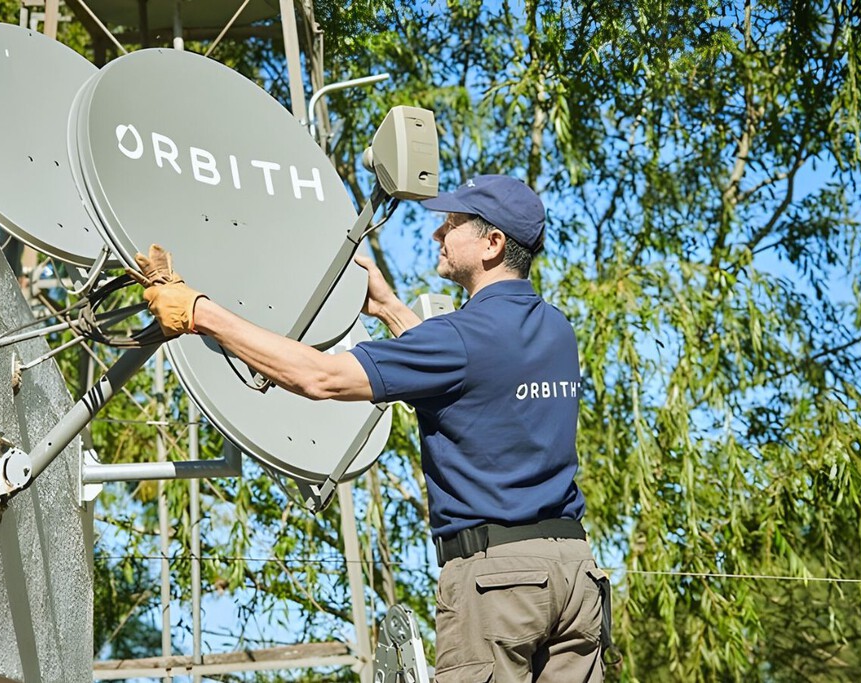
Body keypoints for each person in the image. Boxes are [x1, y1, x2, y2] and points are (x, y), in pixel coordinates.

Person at [131, 175, 614, 682]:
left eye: (452, 224)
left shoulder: (460, 337)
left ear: (492, 243)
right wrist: (387, 308)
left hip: (500, 584)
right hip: (575, 575)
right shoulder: (557, 330)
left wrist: (200, 312)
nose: (438, 234)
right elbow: (469, 373)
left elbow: (320, 377)